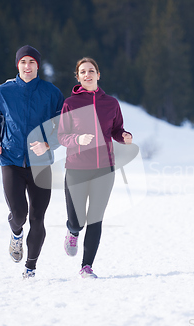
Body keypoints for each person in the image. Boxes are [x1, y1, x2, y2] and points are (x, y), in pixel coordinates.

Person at [0, 45, 65, 279]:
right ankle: (16, 234)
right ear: (17, 65)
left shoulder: (51, 93)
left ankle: (30, 267)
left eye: (31, 62)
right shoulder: (3, 92)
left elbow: (63, 125)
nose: (27, 66)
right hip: (11, 160)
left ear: (38, 65)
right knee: (19, 213)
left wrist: (48, 143)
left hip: (41, 163)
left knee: (38, 218)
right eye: (23, 62)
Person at [58, 57, 133, 279]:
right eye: (83, 72)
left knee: (95, 218)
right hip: (76, 169)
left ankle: (86, 266)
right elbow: (62, 136)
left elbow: (117, 130)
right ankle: (72, 231)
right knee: (77, 219)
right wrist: (78, 140)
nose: (87, 74)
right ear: (78, 77)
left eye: (91, 71)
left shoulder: (111, 103)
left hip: (104, 170)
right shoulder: (70, 103)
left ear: (98, 75)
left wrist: (124, 137)